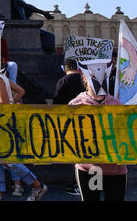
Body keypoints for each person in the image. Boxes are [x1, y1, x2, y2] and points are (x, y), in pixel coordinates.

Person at [70, 59, 137, 201]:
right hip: (90, 168)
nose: (99, 80)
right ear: (85, 78)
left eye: (103, 77)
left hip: (116, 169)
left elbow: (127, 132)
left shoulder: (117, 104)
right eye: (95, 77)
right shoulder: (76, 104)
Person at [0, 54, 48, 201]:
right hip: (6, 122)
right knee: (2, 160)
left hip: (3, 124)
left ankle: (37, 186)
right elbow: (21, 92)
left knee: (8, 160)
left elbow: (4, 103)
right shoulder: (1, 78)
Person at [52, 58, 86, 196]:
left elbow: (57, 102)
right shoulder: (85, 79)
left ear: (64, 68)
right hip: (87, 120)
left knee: (75, 154)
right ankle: (91, 183)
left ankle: (80, 185)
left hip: (70, 122)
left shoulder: (63, 81)